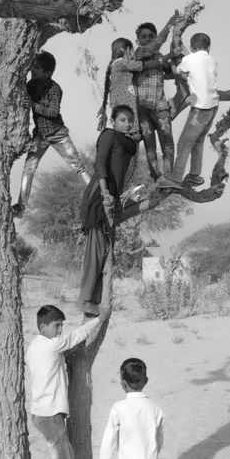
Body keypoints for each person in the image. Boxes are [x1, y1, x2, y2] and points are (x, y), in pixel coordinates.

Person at [26, 295, 112, 459]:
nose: (60, 330)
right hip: (50, 417)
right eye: (56, 326)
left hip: (45, 415)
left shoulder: (34, 346)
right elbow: (77, 336)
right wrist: (100, 318)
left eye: (61, 325)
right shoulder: (51, 345)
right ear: (42, 327)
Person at [79, 105, 142, 316]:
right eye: (122, 120)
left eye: (129, 121)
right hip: (100, 192)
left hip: (113, 197)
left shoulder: (129, 144)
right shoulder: (109, 135)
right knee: (95, 247)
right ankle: (86, 300)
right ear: (114, 120)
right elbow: (100, 164)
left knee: (105, 247)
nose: (127, 124)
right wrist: (106, 192)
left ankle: (95, 297)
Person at [12, 50, 91, 217]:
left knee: (77, 165)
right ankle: (21, 207)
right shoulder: (31, 85)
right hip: (40, 135)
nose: (33, 70)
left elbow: (53, 112)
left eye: (37, 68)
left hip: (57, 134)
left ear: (47, 73)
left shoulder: (55, 89)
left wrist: (34, 105)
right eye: (33, 66)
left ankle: (97, 195)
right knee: (29, 168)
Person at [159, 32, 218, 188]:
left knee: (184, 144)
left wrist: (173, 59)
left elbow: (178, 71)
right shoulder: (211, 60)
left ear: (192, 47)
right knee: (198, 141)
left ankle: (176, 179)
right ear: (209, 47)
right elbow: (195, 59)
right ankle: (195, 175)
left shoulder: (188, 60)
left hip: (200, 108)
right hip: (213, 106)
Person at [131, 21, 175, 181]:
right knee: (150, 144)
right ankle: (157, 177)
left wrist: (176, 58)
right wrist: (169, 24)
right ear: (138, 41)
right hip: (142, 107)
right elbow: (153, 48)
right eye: (144, 36)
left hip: (160, 104)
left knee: (167, 141)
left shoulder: (159, 57)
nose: (148, 39)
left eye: (151, 36)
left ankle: (169, 176)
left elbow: (170, 69)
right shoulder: (139, 53)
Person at [97, 38, 140, 138]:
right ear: (127, 50)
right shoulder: (121, 63)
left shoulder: (118, 66)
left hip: (118, 116)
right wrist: (162, 60)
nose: (134, 55)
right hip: (123, 120)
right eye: (133, 51)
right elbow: (141, 65)